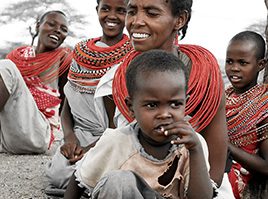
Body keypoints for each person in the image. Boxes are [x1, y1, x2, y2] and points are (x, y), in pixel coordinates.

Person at [94, 0, 233, 197]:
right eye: (132, 11)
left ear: (180, 20)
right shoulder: (115, 80)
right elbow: (113, 151)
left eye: (151, 13)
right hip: (132, 186)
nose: (136, 21)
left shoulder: (206, 74)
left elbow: (215, 173)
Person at [64, 49, 218, 199]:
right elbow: (80, 178)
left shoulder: (192, 144)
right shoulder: (116, 141)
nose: (165, 114)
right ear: (131, 107)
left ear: (186, 103)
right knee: (119, 182)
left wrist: (196, 150)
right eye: (152, 105)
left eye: (175, 104)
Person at [45, 0, 132, 192]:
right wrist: (69, 137)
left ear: (129, 14)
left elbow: (119, 124)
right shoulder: (81, 52)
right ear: (97, 10)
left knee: (99, 177)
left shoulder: (132, 56)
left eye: (121, 11)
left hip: (112, 138)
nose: (112, 16)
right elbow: (68, 104)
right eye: (106, 9)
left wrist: (90, 149)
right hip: (79, 133)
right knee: (57, 176)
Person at [0, 10, 71, 154]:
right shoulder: (18, 56)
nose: (57, 30)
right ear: (38, 26)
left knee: (6, 66)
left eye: (63, 30)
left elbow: (68, 103)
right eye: (51, 24)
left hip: (38, 133)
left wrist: (69, 137)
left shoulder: (63, 60)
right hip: (9, 133)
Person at [225, 31, 268, 199]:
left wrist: (226, 146)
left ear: (261, 64)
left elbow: (266, 167)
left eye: (243, 63)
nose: (234, 68)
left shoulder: (263, 105)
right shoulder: (221, 97)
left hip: (240, 184)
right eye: (230, 61)